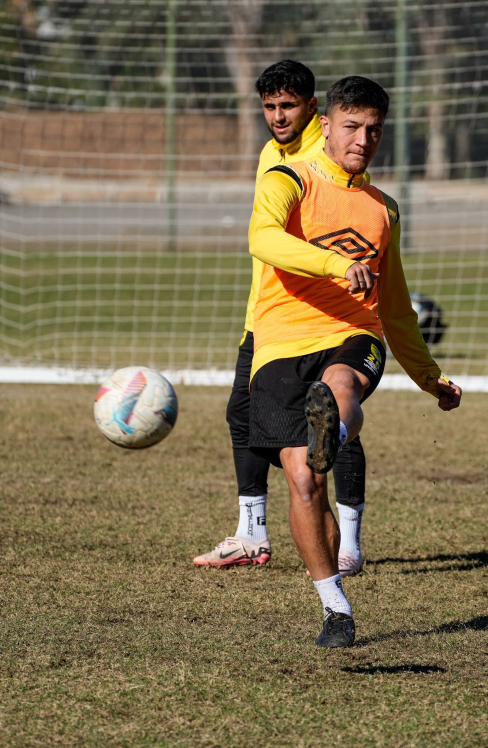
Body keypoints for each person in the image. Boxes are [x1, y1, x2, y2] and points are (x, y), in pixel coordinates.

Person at [247, 76, 462, 647]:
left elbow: (394, 309)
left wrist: (429, 376)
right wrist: (332, 265)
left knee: (342, 381)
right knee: (302, 481)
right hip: (280, 342)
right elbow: (262, 239)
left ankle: (335, 427)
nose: (363, 139)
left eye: (374, 130)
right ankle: (334, 605)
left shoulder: (384, 209)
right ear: (326, 124)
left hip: (352, 334)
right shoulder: (288, 178)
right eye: (352, 126)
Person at [193, 61, 370, 575]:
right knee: (243, 416)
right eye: (269, 106)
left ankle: (348, 542)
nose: (277, 116)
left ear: (313, 107)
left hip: (323, 318)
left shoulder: (330, 151)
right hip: (267, 315)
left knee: (336, 421)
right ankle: (251, 533)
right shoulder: (274, 153)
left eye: (288, 106)